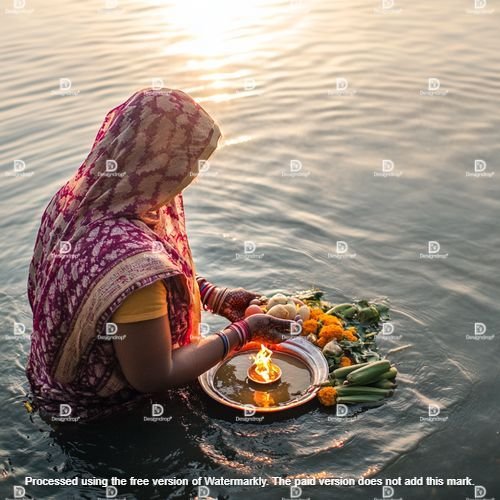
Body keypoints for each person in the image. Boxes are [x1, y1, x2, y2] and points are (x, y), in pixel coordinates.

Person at [26, 88, 298, 422]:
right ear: (162, 163)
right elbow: (154, 375)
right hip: (102, 421)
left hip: (46, 380)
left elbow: (143, 283)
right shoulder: (131, 264)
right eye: (188, 164)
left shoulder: (78, 202)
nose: (189, 178)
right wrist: (245, 332)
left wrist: (214, 296)